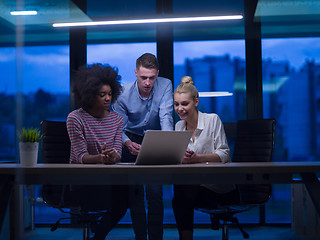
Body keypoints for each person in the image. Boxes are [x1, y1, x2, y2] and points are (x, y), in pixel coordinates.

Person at [112, 53, 174, 240]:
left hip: (155, 137)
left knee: (155, 193)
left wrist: (167, 145)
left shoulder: (166, 85)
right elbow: (118, 128)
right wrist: (127, 143)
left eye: (152, 78)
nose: (148, 82)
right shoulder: (122, 94)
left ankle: (156, 238)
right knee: (135, 193)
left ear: (157, 74)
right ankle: (140, 236)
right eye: (143, 77)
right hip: (130, 138)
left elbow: (166, 117)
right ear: (136, 73)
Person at [172, 76, 239, 240]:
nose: (180, 109)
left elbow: (224, 154)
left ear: (196, 102)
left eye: (184, 104)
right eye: (176, 104)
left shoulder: (212, 120)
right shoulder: (178, 126)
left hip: (219, 188)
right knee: (181, 191)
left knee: (180, 195)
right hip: (193, 186)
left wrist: (197, 158)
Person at [66, 63, 128, 240]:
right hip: (82, 183)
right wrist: (100, 158)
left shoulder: (116, 119)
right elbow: (80, 158)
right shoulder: (75, 118)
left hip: (108, 181)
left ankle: (98, 237)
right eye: (102, 95)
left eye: (109, 94)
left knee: (127, 198)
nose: (107, 98)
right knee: (120, 200)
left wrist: (113, 156)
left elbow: (117, 153)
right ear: (89, 94)